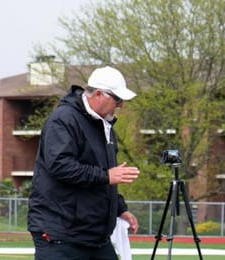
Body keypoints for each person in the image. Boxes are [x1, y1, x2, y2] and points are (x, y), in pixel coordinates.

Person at [27, 66, 141, 260]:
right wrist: (106, 176)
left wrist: (119, 209)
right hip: (61, 234)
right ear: (98, 94)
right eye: (117, 99)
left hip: (94, 236)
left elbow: (104, 175)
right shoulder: (63, 119)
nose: (120, 105)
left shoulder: (103, 125)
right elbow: (60, 165)